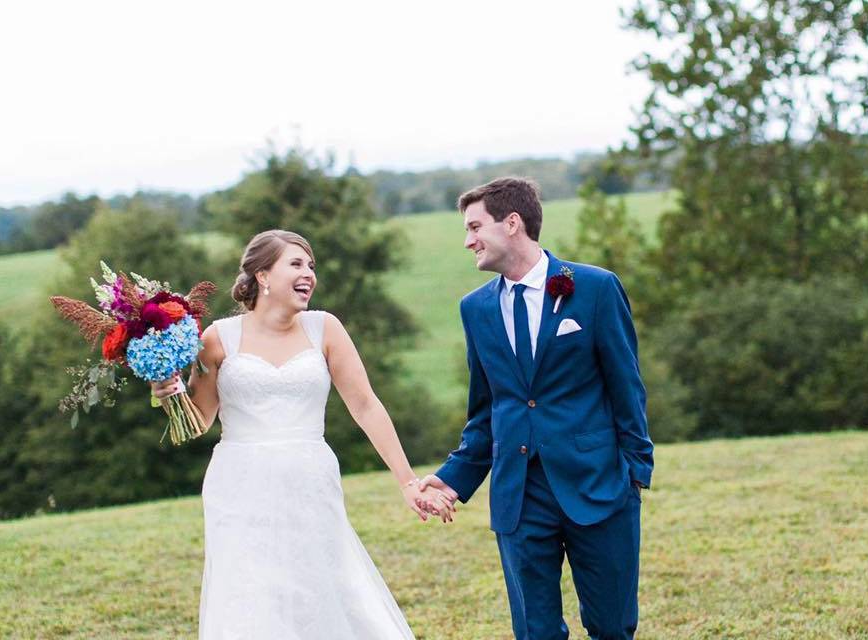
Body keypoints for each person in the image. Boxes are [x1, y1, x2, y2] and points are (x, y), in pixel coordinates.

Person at [151, 229, 451, 639]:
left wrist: (407, 481)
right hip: (239, 484)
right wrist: (168, 394)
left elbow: (365, 406)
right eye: (296, 263)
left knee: (320, 588)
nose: (308, 273)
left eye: (311, 265)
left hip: (310, 479)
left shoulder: (324, 328)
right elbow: (198, 421)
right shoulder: (217, 338)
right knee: (251, 594)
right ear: (262, 276)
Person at [418, 177, 654, 639]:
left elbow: (627, 387)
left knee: (612, 627)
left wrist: (635, 472)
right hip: (519, 495)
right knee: (535, 633)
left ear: (512, 223)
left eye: (474, 227)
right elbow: (487, 411)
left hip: (599, 485)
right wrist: (451, 478)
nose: (467, 242)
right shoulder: (476, 309)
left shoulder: (595, 288)